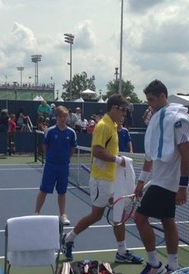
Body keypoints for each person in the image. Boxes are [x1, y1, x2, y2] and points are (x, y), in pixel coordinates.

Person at [61, 94, 143, 264]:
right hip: (101, 180)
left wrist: (119, 160)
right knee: (96, 215)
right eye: (123, 111)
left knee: (119, 213)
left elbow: (107, 151)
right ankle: (68, 239)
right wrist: (118, 160)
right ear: (114, 108)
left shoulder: (112, 126)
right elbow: (97, 150)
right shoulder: (103, 126)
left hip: (112, 179)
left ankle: (121, 251)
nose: (124, 115)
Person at [132, 79, 189, 274]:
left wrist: (183, 187)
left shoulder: (177, 120)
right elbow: (151, 155)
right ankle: (173, 267)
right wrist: (141, 181)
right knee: (168, 222)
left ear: (162, 96)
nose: (149, 104)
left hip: (168, 183)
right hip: (159, 180)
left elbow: (186, 154)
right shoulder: (158, 120)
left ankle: (154, 266)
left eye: (151, 99)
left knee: (140, 219)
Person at [35, 106, 77, 226]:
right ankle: (36, 213)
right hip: (51, 165)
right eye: (60, 116)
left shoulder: (71, 133)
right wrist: (50, 158)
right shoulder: (50, 131)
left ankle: (63, 215)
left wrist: (66, 158)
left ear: (67, 117)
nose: (63, 118)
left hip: (64, 166)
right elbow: (45, 146)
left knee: (62, 192)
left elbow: (72, 148)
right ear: (56, 117)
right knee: (44, 190)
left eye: (65, 116)